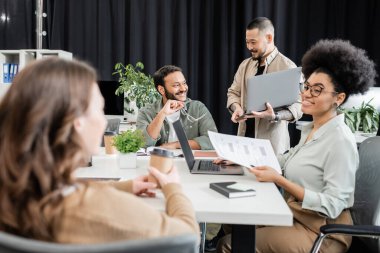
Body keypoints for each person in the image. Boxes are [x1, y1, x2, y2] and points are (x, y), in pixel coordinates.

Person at [0, 58, 200, 243]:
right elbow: (188, 238)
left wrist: (124, 187)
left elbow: (60, 188)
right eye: (99, 109)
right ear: (77, 122)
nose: (104, 120)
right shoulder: (102, 211)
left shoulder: (17, 192)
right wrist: (173, 189)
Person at [217, 39, 377, 253]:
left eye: (317, 90)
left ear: (338, 98)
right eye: (307, 87)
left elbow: (333, 205)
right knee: (233, 225)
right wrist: (241, 159)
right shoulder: (312, 129)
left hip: (321, 232)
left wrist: (279, 179)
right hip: (294, 216)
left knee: (230, 244)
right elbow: (285, 159)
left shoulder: (340, 141)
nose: (307, 94)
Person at [226, 17, 303, 155]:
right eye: (247, 42)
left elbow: (299, 105)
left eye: (253, 42)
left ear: (269, 37)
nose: (249, 47)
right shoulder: (244, 65)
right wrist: (236, 108)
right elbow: (233, 93)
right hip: (243, 144)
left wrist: (275, 116)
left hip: (272, 148)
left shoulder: (288, 67)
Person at [137, 65, 217, 150]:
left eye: (184, 83)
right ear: (161, 90)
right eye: (176, 85)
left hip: (189, 161)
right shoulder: (146, 112)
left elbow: (212, 140)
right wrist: (162, 113)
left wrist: (175, 145)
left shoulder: (198, 108)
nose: (183, 89)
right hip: (159, 161)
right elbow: (143, 143)